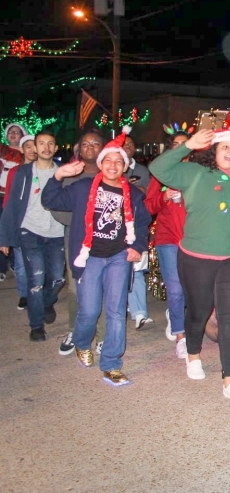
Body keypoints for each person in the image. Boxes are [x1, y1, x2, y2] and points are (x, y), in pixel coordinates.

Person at [149, 128, 230, 402]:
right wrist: (188, 146)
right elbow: (158, 167)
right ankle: (193, 354)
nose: (229, 152)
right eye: (224, 147)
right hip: (196, 258)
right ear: (213, 151)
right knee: (199, 311)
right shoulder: (195, 174)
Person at [41, 129, 150, 386]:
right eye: (108, 160)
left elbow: (143, 222)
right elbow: (50, 199)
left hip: (118, 257)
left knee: (115, 312)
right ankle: (81, 342)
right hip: (89, 256)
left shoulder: (133, 195)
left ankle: (111, 363)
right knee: (88, 311)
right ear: (100, 163)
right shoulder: (82, 187)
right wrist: (58, 175)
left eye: (118, 161)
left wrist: (137, 245)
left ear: (124, 166)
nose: (113, 165)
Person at [0, 130, 66, 341]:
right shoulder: (22, 172)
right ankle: (36, 325)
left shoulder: (64, 173)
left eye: (50, 144)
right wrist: (5, 236)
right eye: (41, 143)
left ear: (55, 148)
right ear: (34, 148)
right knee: (36, 279)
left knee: (57, 278)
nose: (46, 147)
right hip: (30, 231)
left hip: (56, 233)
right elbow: (11, 204)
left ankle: (48, 302)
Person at [50, 128, 106, 356]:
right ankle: (75, 330)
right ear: (78, 149)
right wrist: (83, 219)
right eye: (85, 144)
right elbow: (56, 206)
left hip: (105, 241)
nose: (90, 147)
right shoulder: (71, 175)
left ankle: (102, 336)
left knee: (103, 287)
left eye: (95, 143)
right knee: (76, 287)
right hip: (75, 238)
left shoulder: (111, 172)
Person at [145, 131, 190, 359]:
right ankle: (181, 337)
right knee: (175, 288)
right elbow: (148, 206)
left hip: (194, 239)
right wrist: (164, 197)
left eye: (185, 145)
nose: (181, 149)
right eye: (176, 145)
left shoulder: (197, 173)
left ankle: (176, 315)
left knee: (191, 289)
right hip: (168, 239)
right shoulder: (160, 174)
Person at [4, 135, 36, 310]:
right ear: (22, 150)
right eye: (28, 147)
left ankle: (39, 293)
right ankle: (24, 294)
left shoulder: (47, 170)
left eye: (34, 146)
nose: (32, 150)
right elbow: (9, 199)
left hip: (40, 223)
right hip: (21, 223)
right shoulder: (15, 172)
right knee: (22, 263)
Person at [0, 123, 25, 282]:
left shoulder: (27, 153)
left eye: (17, 132)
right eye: (11, 132)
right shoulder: (2, 151)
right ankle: (1, 267)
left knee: (15, 231)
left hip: (16, 198)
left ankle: (16, 262)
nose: (14, 134)